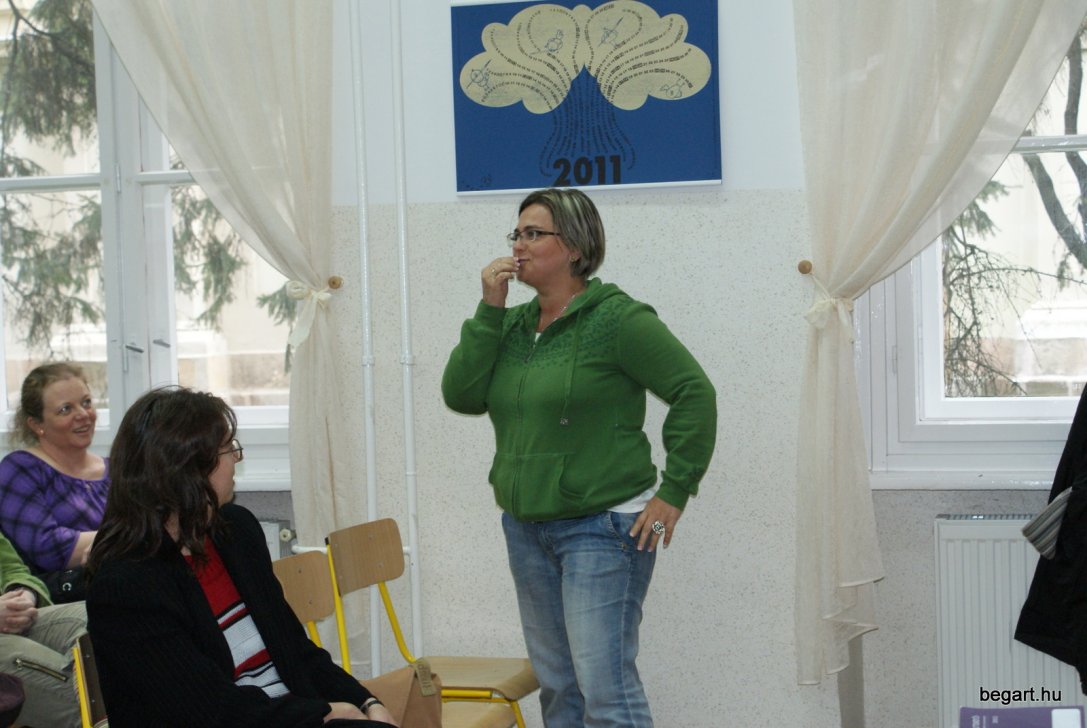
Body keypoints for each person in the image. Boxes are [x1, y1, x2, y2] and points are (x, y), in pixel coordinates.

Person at [441, 187, 717, 727]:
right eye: (516, 234)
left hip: (604, 528)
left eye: (533, 234)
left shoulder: (618, 320)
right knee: (559, 688)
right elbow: (462, 395)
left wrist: (674, 493)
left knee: (605, 693)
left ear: (573, 246)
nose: (518, 246)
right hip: (526, 528)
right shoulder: (512, 326)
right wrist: (489, 310)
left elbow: (694, 392)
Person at [85, 387, 397, 728]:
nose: (236, 458)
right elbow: (210, 711)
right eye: (227, 448)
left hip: (285, 714)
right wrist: (328, 713)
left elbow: (295, 648)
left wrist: (365, 700)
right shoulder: (126, 585)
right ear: (189, 469)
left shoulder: (236, 532)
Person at [0, 362, 108, 601]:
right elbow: (48, 548)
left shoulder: (117, 468)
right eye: (65, 409)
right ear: (37, 424)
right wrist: (121, 538)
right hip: (62, 599)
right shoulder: (20, 469)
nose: (83, 415)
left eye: (86, 402)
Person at [0, 529, 85, 728]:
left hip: (13, 613)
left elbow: (13, 569)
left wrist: (25, 594)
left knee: (97, 620)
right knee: (85, 699)